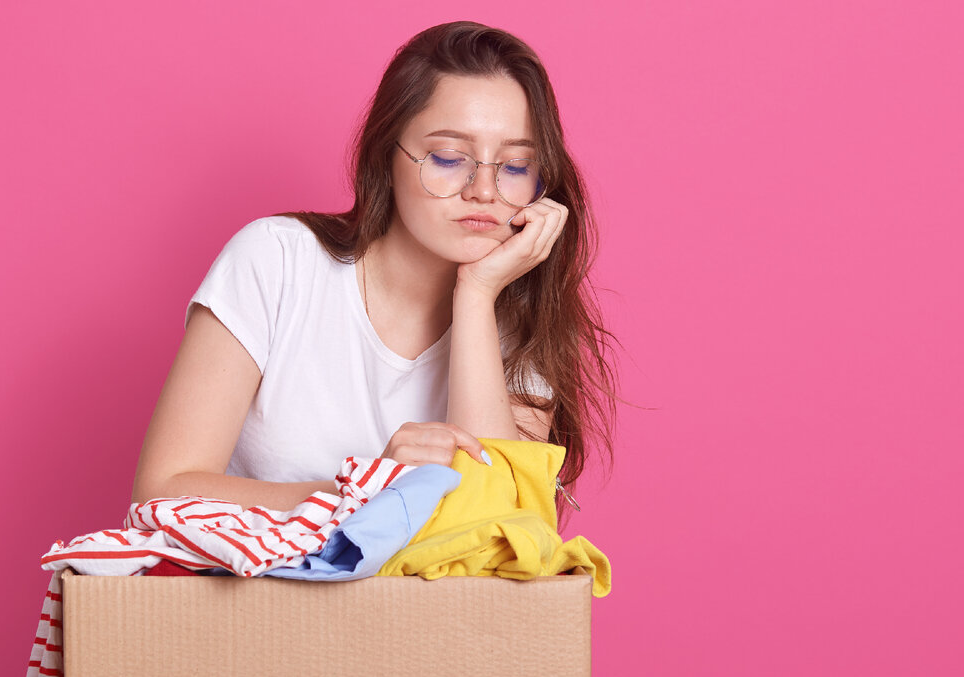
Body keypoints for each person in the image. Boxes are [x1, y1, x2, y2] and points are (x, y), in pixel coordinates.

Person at [131, 21, 617, 514]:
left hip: (429, 596)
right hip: (258, 590)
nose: (485, 192)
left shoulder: (523, 317)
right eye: (449, 158)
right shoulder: (276, 262)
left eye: (515, 167)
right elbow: (162, 489)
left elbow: (498, 527)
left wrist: (476, 295)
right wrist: (362, 488)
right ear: (387, 157)